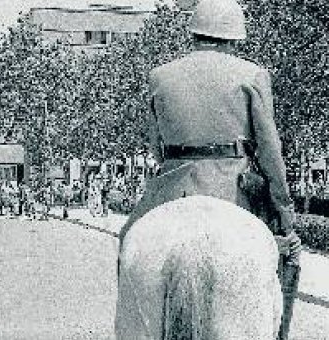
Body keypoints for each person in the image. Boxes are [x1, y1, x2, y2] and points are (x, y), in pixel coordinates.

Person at [117, 1, 301, 338]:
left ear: (195, 31)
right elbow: (270, 151)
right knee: (285, 256)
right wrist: (285, 213)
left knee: (128, 242)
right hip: (235, 189)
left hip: (172, 187)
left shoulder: (160, 76)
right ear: (234, 36)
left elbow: (156, 147)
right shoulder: (253, 74)